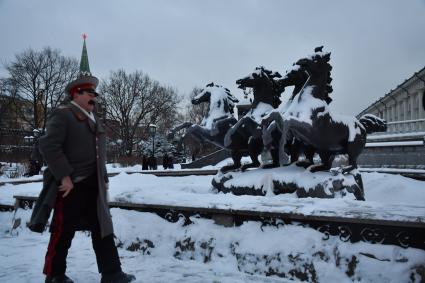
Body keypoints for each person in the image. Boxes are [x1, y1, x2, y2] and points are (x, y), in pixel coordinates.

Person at [28, 39, 135, 283]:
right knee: (62, 232)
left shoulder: (94, 119)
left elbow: (99, 153)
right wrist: (64, 176)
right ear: (76, 93)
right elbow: (47, 145)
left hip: (94, 186)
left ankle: (112, 273)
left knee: (103, 229)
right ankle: (54, 275)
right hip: (71, 185)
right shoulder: (63, 114)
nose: (94, 97)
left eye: (95, 94)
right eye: (89, 93)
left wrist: (104, 180)